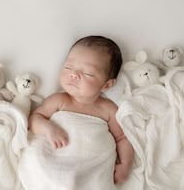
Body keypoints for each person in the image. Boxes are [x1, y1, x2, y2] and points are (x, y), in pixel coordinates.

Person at [28, 35, 134, 184]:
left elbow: (122, 138)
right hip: (57, 163)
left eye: (88, 73)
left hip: (91, 169)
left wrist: (125, 165)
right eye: (68, 67)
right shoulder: (58, 100)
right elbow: (34, 119)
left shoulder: (108, 109)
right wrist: (48, 128)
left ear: (107, 85)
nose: (73, 74)